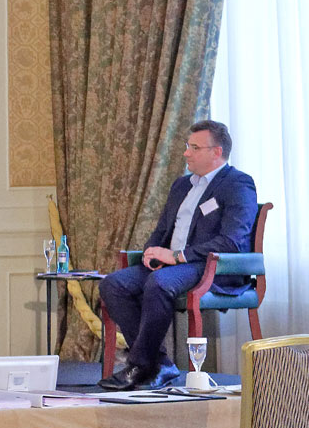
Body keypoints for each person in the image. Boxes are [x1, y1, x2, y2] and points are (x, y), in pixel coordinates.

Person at [98, 120, 259, 391]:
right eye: (188, 146)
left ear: (216, 152)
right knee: (113, 284)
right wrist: (151, 251)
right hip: (172, 265)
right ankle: (160, 363)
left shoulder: (237, 183)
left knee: (159, 283)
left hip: (207, 265)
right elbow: (163, 229)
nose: (186, 153)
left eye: (194, 148)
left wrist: (179, 256)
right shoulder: (181, 186)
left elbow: (231, 241)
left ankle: (139, 365)